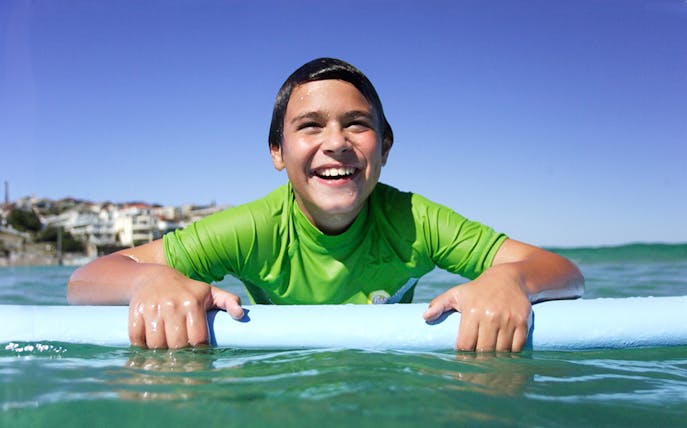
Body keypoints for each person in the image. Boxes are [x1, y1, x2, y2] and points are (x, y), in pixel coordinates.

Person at [67, 58, 584, 352]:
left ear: (384, 147)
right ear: (277, 152)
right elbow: (87, 280)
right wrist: (149, 281)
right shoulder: (255, 229)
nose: (336, 142)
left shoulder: (414, 220)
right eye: (310, 125)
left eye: (357, 124)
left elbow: (562, 272)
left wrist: (510, 280)